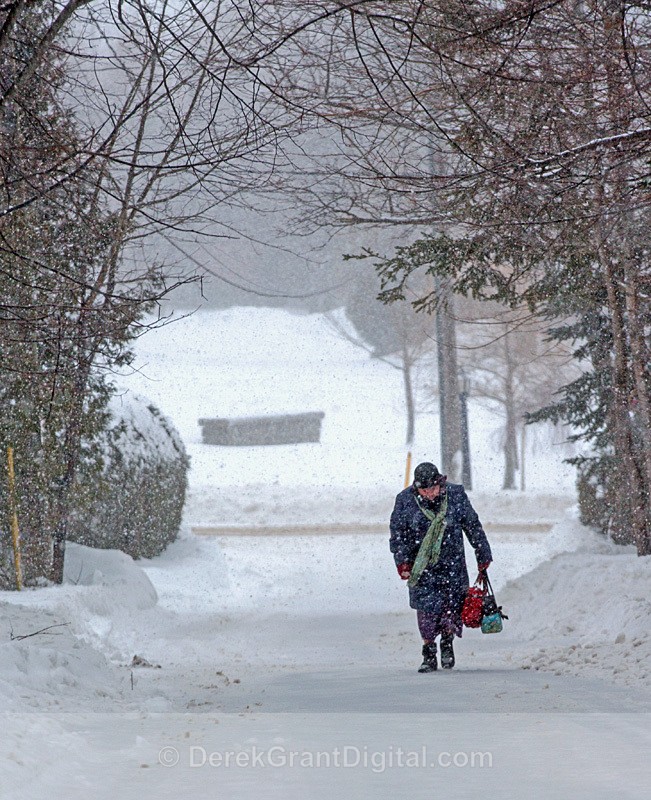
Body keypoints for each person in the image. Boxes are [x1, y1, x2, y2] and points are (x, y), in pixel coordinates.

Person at [389, 461, 492, 672]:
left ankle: (447, 642)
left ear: (440, 483)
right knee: (426, 610)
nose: (430, 494)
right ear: (416, 488)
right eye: (424, 490)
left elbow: (472, 525)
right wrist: (402, 562)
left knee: (451, 607)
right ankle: (428, 653)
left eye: (433, 488)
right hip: (422, 567)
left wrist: (483, 554)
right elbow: (398, 534)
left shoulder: (455, 495)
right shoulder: (405, 500)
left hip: (452, 563)